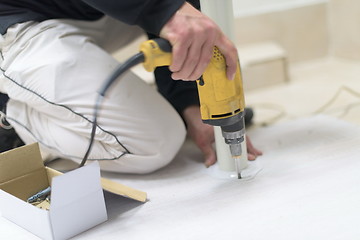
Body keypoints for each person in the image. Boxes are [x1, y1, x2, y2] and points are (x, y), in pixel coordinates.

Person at [0, 0, 262, 173]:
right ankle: (10, 112)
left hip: (85, 8)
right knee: (157, 142)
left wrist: (191, 102)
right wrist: (162, 8)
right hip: (15, 17)